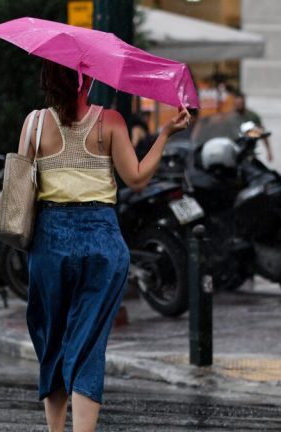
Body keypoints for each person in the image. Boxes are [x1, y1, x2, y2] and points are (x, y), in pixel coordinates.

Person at [18, 60, 190, 432]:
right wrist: (164, 134)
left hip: (50, 241)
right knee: (88, 344)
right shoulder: (109, 122)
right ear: (87, 81)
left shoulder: (34, 124)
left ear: (48, 81)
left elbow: (21, 186)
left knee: (53, 340)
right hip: (102, 242)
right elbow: (137, 179)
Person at [228, 90, 273, 162]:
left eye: (241, 103)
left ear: (244, 101)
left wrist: (269, 152)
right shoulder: (228, 117)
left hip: (248, 153)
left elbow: (262, 134)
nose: (239, 105)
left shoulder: (252, 116)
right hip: (232, 152)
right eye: (237, 103)